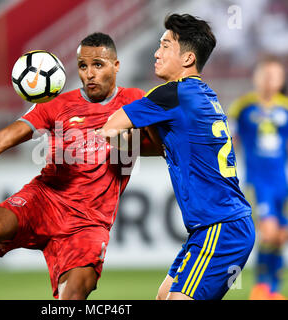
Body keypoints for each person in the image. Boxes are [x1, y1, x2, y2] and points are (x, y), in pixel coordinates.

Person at [0, 32, 162, 299]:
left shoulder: (135, 100)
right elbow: (3, 138)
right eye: (83, 66)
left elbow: (162, 147)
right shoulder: (58, 105)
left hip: (89, 223)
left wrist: (127, 145)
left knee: (72, 297)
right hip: (45, 200)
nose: (90, 74)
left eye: (98, 64)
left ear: (116, 66)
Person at [97, 14, 255, 300]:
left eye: (166, 45)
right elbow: (169, 147)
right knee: (164, 296)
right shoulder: (206, 95)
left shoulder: (171, 94)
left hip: (220, 227)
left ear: (187, 58)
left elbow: (110, 128)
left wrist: (90, 142)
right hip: (217, 226)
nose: (157, 53)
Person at [228, 57, 288, 300]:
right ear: (256, 77)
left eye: (275, 75)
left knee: (281, 235)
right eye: (266, 74)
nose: (270, 80)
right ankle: (262, 288)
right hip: (257, 182)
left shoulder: (285, 107)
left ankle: (273, 289)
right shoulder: (243, 107)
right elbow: (227, 139)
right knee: (269, 231)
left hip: (282, 182)